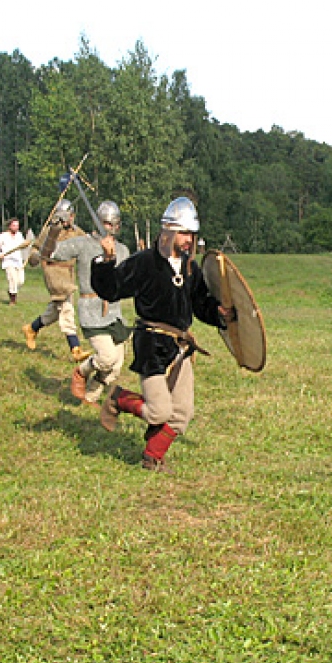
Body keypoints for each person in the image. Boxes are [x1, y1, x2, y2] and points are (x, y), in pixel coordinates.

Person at [91, 197, 229, 472]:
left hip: (180, 346)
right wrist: (106, 261)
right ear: (167, 230)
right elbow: (111, 289)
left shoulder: (190, 267)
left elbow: (201, 303)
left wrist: (220, 314)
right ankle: (118, 398)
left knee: (182, 414)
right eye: (183, 232)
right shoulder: (144, 263)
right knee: (159, 412)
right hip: (152, 343)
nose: (188, 239)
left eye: (191, 233)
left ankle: (152, 457)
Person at [51, 200, 131, 407]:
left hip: (114, 312)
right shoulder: (83, 243)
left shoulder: (123, 250)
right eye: (107, 223)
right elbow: (52, 252)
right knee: (106, 357)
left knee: (115, 367)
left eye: (115, 224)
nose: (111, 228)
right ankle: (81, 372)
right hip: (91, 309)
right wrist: (54, 230)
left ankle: (89, 398)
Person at [23, 200, 91, 362]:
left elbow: (89, 244)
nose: (70, 218)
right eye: (67, 215)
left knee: (55, 310)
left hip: (68, 273)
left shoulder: (77, 232)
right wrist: (34, 256)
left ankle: (31, 328)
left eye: (72, 215)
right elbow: (36, 249)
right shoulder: (50, 231)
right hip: (53, 273)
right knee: (67, 310)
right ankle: (75, 349)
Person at [0, 217, 28, 305]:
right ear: (10, 226)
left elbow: (22, 245)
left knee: (20, 281)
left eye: (17, 226)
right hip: (8, 261)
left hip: (18, 261)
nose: (16, 227)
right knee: (13, 280)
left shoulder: (19, 235)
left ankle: (11, 291)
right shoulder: (3, 236)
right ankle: (12, 300)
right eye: (14, 225)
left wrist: (26, 244)